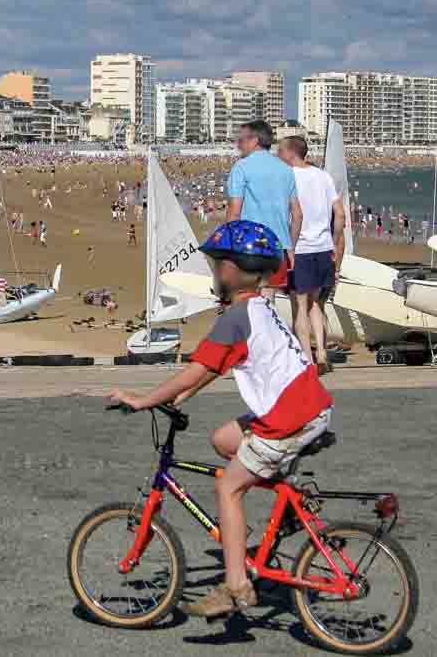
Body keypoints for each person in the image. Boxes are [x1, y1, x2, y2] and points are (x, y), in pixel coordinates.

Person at [108, 220, 332, 617]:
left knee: (229, 488)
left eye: (216, 266)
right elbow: (212, 369)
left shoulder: (234, 318)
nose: (214, 273)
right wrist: (184, 395)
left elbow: (196, 369)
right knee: (224, 439)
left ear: (230, 270)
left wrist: (145, 400)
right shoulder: (258, 308)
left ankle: (236, 586)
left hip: (288, 418)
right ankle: (289, 506)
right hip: (310, 406)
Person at [278, 136, 346, 373]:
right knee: (315, 303)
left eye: (280, 151)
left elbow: (293, 216)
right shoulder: (323, 176)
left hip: (302, 249)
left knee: (299, 305)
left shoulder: (287, 178)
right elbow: (340, 215)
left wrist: (290, 247)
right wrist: (335, 243)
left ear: (290, 153)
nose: (278, 155)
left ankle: (307, 359)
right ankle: (322, 353)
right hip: (324, 247)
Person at [225, 120, 303, 298]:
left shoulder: (241, 167)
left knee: (245, 301)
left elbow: (234, 211)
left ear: (254, 141)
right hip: (278, 246)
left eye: (241, 140)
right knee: (268, 303)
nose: (238, 145)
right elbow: (297, 215)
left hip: (249, 245)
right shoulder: (286, 170)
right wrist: (290, 247)